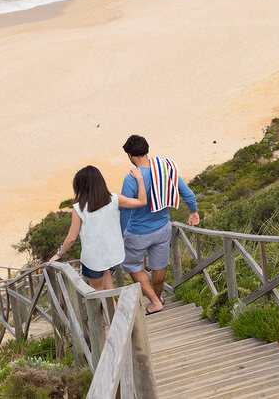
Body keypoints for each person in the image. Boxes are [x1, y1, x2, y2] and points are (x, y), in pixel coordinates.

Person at [120, 134, 199, 314]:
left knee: (132, 266)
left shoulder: (131, 179)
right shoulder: (165, 170)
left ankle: (154, 301)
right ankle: (157, 299)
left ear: (130, 156)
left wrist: (120, 232)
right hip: (163, 228)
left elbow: (125, 209)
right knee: (159, 266)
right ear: (147, 151)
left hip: (138, 232)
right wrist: (193, 212)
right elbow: (188, 194)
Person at [48, 165, 149, 293]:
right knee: (107, 282)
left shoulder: (79, 208)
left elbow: (72, 238)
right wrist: (139, 179)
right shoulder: (114, 199)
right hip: (112, 254)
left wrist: (59, 254)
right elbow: (142, 202)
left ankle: (106, 313)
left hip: (93, 259)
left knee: (97, 292)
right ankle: (113, 308)